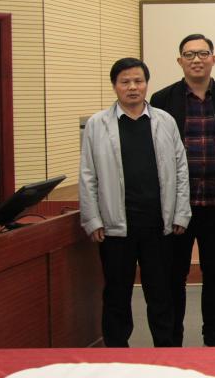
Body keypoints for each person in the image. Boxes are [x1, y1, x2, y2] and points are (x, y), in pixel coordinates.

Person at [79, 57, 189, 347]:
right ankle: (117, 353)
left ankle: (166, 353)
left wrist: (181, 213)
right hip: (116, 227)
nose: (132, 87)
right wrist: (92, 219)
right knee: (117, 294)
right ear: (114, 85)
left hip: (159, 225)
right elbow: (88, 175)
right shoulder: (97, 124)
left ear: (146, 84)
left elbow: (181, 170)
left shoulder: (165, 121)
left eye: (138, 81)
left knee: (161, 294)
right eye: (125, 81)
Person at [150, 33, 215, 347]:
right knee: (174, 274)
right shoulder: (162, 100)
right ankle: (172, 339)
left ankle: (213, 335)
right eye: (189, 54)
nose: (196, 60)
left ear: (213, 59)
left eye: (203, 53)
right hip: (178, 207)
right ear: (180, 61)